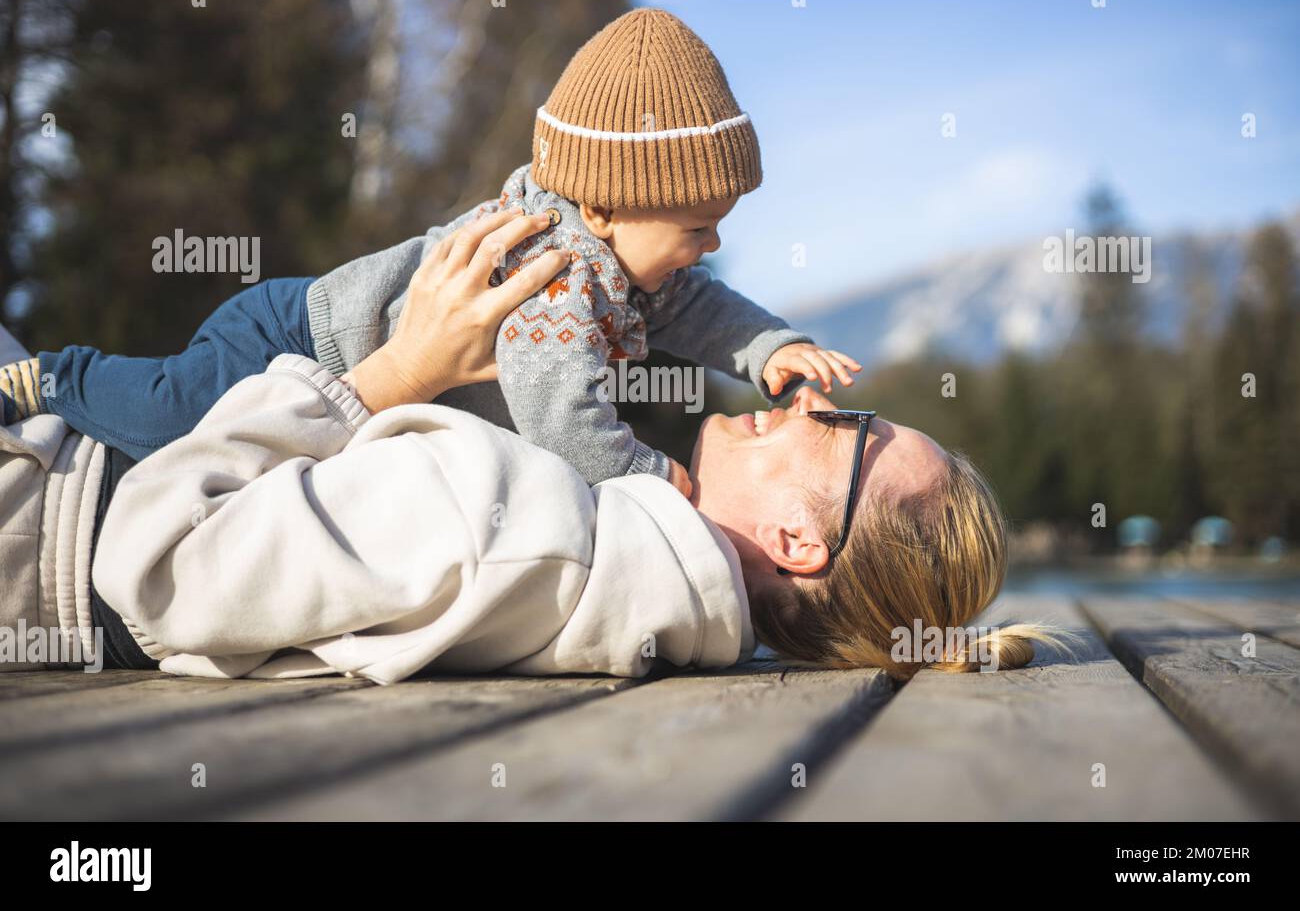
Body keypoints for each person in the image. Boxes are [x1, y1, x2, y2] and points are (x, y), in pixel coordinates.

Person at [2, 210, 1079, 683]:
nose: (809, 402)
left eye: (847, 427)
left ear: (801, 536)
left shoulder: (534, 535)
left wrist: (397, 373)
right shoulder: (636, 574)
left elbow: (152, 563)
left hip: (44, 501)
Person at [0, 7, 861, 498]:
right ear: (602, 207)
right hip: (292, 342)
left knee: (184, 462)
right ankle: (59, 377)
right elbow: (563, 416)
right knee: (169, 422)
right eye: (695, 228)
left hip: (328, 361)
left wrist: (770, 347)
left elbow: (702, 307)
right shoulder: (552, 277)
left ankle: (74, 443)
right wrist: (650, 477)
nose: (710, 247)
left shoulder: (624, 261)